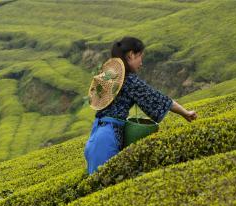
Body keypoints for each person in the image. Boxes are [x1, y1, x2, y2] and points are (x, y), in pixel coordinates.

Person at [85, 36, 198, 174]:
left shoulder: (111, 76)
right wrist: (185, 113)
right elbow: (158, 99)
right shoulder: (129, 80)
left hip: (96, 135)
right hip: (106, 139)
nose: (141, 63)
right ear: (131, 55)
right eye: (140, 57)